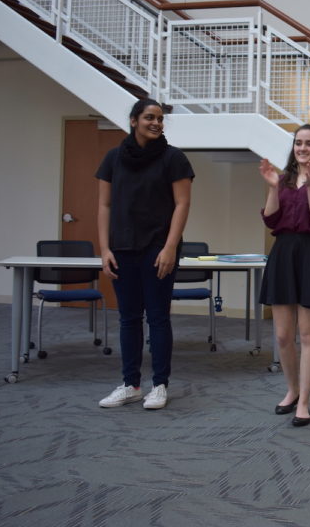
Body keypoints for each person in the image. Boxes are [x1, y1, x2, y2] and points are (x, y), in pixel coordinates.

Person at [97, 98, 194, 410]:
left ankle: (160, 385)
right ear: (133, 120)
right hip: (122, 248)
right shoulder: (113, 158)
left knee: (158, 317)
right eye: (150, 117)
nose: (156, 123)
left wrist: (169, 247)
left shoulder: (173, 158)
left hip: (157, 249)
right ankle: (131, 384)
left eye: (160, 119)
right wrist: (104, 249)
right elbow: (105, 206)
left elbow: (182, 204)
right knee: (128, 319)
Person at [259, 124, 310, 427]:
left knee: (307, 334)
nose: (303, 148)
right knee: (282, 335)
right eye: (298, 143)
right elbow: (271, 219)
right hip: (283, 254)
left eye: (309, 143)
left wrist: (309, 187)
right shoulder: (281, 180)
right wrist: (271, 187)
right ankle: (291, 390)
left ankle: (304, 401)